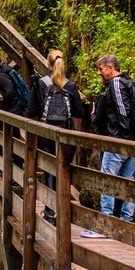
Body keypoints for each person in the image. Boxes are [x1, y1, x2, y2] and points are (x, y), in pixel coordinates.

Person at [31, 50, 86, 225]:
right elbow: (78, 112)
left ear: (48, 64)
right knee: (64, 169)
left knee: (49, 170)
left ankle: (49, 211)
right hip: (66, 134)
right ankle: (63, 213)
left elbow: (32, 110)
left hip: (47, 133)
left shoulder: (41, 83)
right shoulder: (70, 85)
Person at [90, 53, 135, 221]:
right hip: (132, 142)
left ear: (110, 68)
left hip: (118, 142)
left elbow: (123, 112)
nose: (99, 73)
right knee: (128, 182)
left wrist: (121, 140)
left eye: (101, 69)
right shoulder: (129, 83)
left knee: (107, 180)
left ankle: (106, 220)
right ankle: (127, 220)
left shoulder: (116, 84)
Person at [0, 51, 31, 115]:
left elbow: (10, 95)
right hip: (12, 110)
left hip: (13, 111)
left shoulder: (1, 76)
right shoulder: (0, 70)